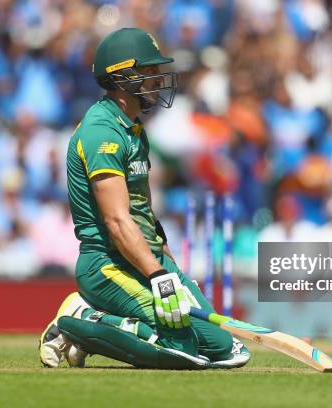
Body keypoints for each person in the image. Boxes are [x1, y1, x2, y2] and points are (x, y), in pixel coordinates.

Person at [39, 28, 249, 370]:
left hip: (144, 255)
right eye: (149, 72)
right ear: (122, 77)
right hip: (108, 263)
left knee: (224, 348)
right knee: (181, 352)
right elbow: (117, 221)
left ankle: (106, 323)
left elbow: (142, 209)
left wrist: (168, 264)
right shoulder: (101, 132)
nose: (158, 80)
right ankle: (82, 317)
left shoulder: (134, 129)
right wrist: (157, 276)